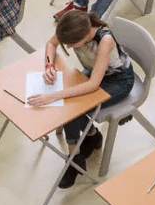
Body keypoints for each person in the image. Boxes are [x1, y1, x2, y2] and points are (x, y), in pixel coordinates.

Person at [27, 10, 135, 188]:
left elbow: (93, 85)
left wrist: (53, 95)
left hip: (118, 80)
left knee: (72, 108)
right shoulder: (73, 26)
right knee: (70, 104)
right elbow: (51, 44)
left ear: (86, 36)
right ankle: (91, 137)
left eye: (72, 44)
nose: (69, 48)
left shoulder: (104, 40)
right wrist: (49, 66)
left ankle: (74, 158)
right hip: (96, 74)